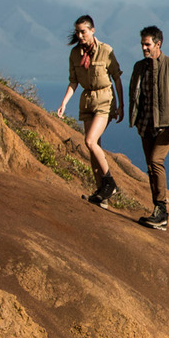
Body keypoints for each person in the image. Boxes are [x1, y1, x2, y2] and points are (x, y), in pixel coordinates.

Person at [55, 15, 124, 207]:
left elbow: (116, 78)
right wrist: (64, 103)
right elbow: (73, 81)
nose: (79, 35)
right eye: (77, 32)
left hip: (104, 100)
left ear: (92, 30)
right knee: (93, 148)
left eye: (83, 31)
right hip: (86, 101)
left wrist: (121, 105)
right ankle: (101, 194)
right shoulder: (75, 54)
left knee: (90, 141)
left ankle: (110, 183)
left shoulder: (105, 50)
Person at [127, 25, 169, 230]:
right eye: (142, 44)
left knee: (156, 162)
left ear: (158, 44)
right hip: (146, 126)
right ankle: (157, 212)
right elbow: (136, 96)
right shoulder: (139, 67)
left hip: (166, 126)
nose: (144, 48)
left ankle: (162, 210)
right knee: (151, 168)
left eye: (147, 44)